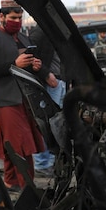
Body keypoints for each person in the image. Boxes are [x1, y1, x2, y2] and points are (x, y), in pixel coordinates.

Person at [0, 0, 48, 190]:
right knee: (20, 143)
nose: (17, 21)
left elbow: (27, 68)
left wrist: (36, 66)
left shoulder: (25, 39)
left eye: (19, 18)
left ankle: (10, 181)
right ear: (1, 17)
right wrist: (13, 64)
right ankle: (27, 184)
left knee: (15, 142)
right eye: (13, 18)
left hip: (26, 99)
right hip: (5, 99)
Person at [28, 25, 65, 174]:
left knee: (58, 123)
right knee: (48, 122)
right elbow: (30, 57)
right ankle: (43, 162)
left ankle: (52, 160)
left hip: (59, 81)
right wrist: (46, 74)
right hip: (52, 83)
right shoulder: (40, 32)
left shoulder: (55, 31)